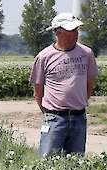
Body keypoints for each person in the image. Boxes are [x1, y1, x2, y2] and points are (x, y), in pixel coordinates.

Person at [29, 12, 98, 157]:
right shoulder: (43, 57)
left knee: (76, 164)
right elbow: (38, 92)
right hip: (54, 118)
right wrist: (50, 113)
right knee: (48, 162)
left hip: (79, 118)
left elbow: (89, 84)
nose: (75, 34)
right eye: (70, 31)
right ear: (58, 32)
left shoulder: (87, 54)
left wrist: (79, 104)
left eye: (76, 30)